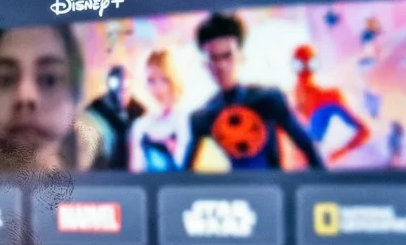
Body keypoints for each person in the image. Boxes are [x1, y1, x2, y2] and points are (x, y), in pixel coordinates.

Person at [182, 12, 326, 171]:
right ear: (206, 65)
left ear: (241, 57)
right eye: (214, 58)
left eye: (227, 56)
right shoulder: (202, 117)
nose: (221, 65)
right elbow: (184, 175)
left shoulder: (269, 99)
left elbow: (309, 148)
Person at [0, 25, 87, 173]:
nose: (25, 96)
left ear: (76, 101)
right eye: (5, 79)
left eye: (49, 79)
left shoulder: (99, 170)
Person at [292, 44, 370, 165]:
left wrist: (340, 152)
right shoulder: (287, 101)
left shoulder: (329, 96)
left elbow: (364, 131)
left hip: (316, 166)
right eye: (299, 65)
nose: (304, 72)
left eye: (310, 64)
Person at [128, 50, 191, 172]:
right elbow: (135, 171)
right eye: (151, 81)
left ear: (174, 80)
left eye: (164, 80)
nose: (158, 88)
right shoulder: (140, 125)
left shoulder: (185, 119)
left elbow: (185, 164)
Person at [84, 65, 144, 169]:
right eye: (117, 85)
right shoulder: (95, 109)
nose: (121, 93)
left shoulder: (138, 111)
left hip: (130, 169)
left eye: (126, 87)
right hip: (102, 169)